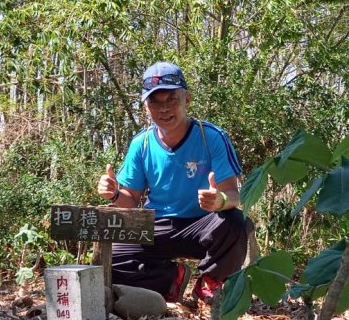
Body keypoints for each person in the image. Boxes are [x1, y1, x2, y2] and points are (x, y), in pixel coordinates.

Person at [97, 61, 252, 302]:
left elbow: (234, 194)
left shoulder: (211, 136)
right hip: (156, 225)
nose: (164, 108)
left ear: (187, 99)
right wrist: (115, 194)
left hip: (201, 224)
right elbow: (131, 200)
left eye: (171, 99)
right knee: (112, 258)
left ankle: (211, 283)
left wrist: (220, 200)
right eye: (155, 102)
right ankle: (171, 280)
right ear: (146, 107)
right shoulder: (142, 143)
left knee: (235, 222)